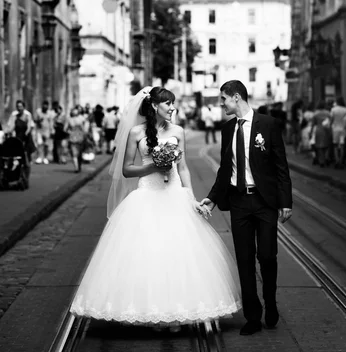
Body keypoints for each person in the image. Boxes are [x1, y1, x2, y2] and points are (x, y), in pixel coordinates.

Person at [70, 86, 241, 329]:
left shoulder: (178, 131)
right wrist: (153, 166)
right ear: (154, 106)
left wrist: (190, 198)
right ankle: (147, 309)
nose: (172, 108)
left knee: (178, 254)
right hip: (146, 194)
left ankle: (177, 311)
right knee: (147, 252)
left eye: (173, 104)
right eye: (168, 104)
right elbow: (127, 169)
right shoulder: (136, 132)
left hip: (174, 194)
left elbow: (183, 169)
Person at [200, 80, 292, 336]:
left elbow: (281, 167)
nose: (221, 104)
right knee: (244, 259)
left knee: (267, 256)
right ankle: (252, 316)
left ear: (237, 97)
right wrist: (213, 198)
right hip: (239, 200)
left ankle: (271, 301)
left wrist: (285, 201)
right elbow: (224, 169)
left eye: (224, 99)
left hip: (264, 202)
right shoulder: (228, 128)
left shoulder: (269, 125)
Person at [309, 100, 331, 167]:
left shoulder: (316, 113)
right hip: (326, 130)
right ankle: (327, 158)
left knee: (319, 146)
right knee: (327, 145)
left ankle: (321, 161)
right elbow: (330, 121)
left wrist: (311, 132)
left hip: (318, 130)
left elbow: (313, 124)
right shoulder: (328, 113)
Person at [66, 108, 88, 172]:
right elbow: (84, 130)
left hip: (73, 138)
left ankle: (77, 167)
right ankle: (78, 167)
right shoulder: (81, 119)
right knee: (79, 153)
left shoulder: (69, 120)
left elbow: (65, 129)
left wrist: (71, 132)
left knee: (74, 154)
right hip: (80, 138)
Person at [34, 100, 55, 165]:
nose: (45, 106)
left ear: (48, 106)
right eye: (44, 105)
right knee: (40, 144)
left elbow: (51, 122)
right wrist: (38, 120)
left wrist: (52, 130)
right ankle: (40, 157)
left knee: (46, 145)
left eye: (46, 105)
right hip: (39, 130)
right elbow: (34, 120)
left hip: (47, 131)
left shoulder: (50, 113)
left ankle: (45, 157)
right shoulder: (38, 111)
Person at [330, 97, 346, 168]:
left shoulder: (333, 109)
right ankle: (341, 161)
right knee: (342, 145)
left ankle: (337, 161)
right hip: (343, 129)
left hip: (335, 129)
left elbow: (331, 120)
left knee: (335, 145)